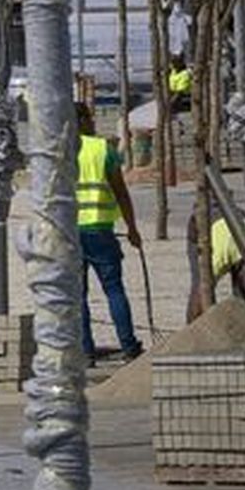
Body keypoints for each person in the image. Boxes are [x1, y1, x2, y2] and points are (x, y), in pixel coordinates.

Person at [76, 102, 144, 361]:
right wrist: (132, 228)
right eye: (90, 117)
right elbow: (121, 192)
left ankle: (85, 351)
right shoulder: (102, 148)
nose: (93, 122)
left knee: (78, 296)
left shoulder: (61, 151)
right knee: (114, 290)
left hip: (71, 234)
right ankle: (128, 346)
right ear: (82, 120)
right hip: (101, 231)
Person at [187, 208, 245, 319]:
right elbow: (202, 286)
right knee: (199, 286)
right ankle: (196, 325)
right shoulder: (219, 257)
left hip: (239, 216)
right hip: (202, 221)